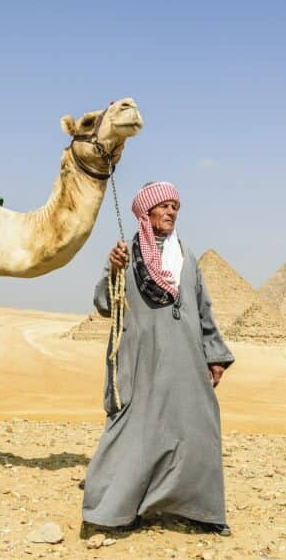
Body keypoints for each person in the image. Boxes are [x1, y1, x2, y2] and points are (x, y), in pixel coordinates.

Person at [82, 181, 234, 535]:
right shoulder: (127, 254)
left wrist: (214, 355)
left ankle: (201, 511)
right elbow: (105, 305)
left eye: (175, 207)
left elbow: (203, 309)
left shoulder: (186, 256)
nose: (170, 212)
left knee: (197, 427)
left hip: (186, 359)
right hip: (141, 359)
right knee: (135, 431)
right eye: (163, 206)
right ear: (145, 212)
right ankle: (112, 511)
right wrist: (114, 269)